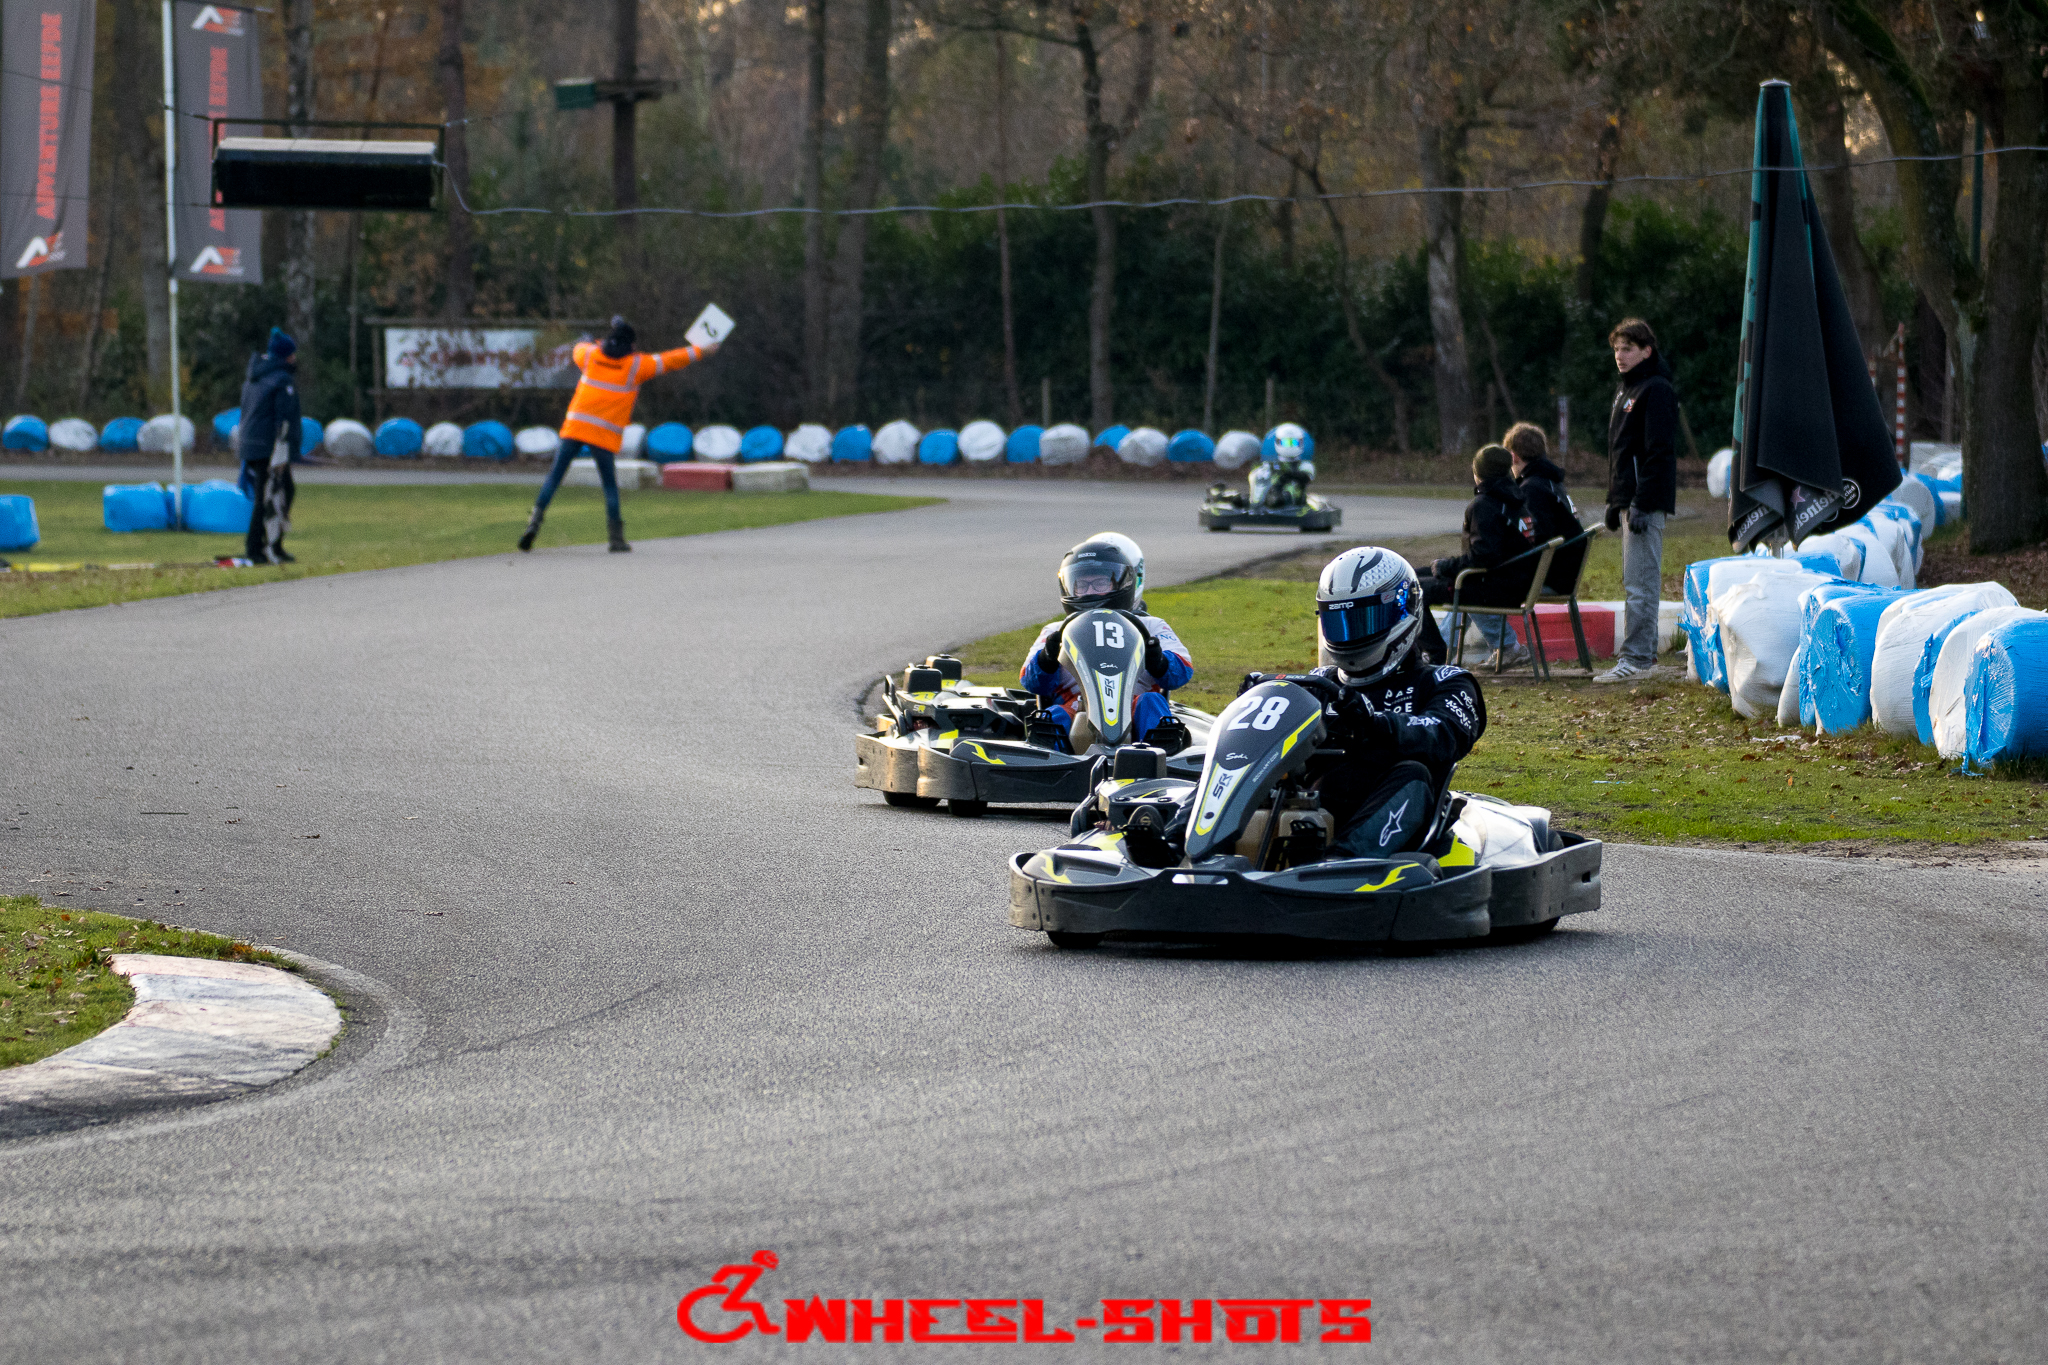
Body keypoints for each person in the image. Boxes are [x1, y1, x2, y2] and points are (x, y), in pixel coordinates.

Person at [1242, 546, 1486, 858]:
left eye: (1362, 620)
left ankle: (1341, 861)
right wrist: (1258, 703)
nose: (1350, 635)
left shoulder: (1444, 681)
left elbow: (1443, 733)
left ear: (1405, 610)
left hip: (1393, 810)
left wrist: (1375, 722)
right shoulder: (1319, 683)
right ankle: (1191, 839)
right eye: (1340, 621)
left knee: (1413, 772)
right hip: (1310, 812)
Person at [520, 316, 718, 553]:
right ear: (631, 346)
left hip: (575, 427)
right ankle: (616, 539)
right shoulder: (636, 366)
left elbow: (578, 348)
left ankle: (534, 523)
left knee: (554, 477)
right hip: (603, 435)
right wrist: (701, 350)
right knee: (609, 486)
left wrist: (600, 341)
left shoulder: (590, 355)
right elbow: (671, 360)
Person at [1021, 537, 1194, 751]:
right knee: (1053, 715)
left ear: (1122, 584)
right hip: (1077, 706)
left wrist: (1158, 660)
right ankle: (1051, 760)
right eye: (1082, 585)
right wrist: (1046, 658)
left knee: (1151, 702)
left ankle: (1159, 756)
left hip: (1134, 706)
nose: (1090, 592)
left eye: (1100, 583)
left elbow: (1182, 672)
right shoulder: (1056, 631)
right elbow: (1031, 681)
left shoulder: (1151, 626)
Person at [1596, 316, 1677, 683]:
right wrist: (1615, 500)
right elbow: (1621, 452)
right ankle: (1640, 655)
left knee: (1640, 584)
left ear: (1646, 351)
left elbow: (1658, 452)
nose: (1620, 355)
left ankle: (1638, 660)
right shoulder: (1625, 390)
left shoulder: (1655, 389)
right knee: (1635, 582)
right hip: (1630, 501)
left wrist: (1642, 502)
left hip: (1646, 502)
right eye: (1616, 349)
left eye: (1627, 348)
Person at [1416, 443, 1538, 669]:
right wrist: (1449, 566)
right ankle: (1444, 646)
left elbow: (1483, 557)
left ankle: (1435, 655)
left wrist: (1446, 566)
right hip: (1513, 582)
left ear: (1478, 473)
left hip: (1489, 587)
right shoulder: (1517, 502)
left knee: (1411, 592)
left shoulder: (1485, 505)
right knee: (1412, 575)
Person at [235, 327, 302, 564]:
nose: (295, 358)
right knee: (271, 494)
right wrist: (283, 449)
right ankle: (257, 547)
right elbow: (282, 418)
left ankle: (272, 543)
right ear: (285, 356)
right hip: (268, 446)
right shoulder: (281, 380)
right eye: (292, 354)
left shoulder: (254, 377)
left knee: (278, 492)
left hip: (250, 442)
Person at [1505, 420, 1586, 593]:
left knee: (1480, 584)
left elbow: (1537, 538)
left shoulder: (1532, 489)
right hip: (1565, 572)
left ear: (1514, 456)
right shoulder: (1552, 482)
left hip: (1549, 578)